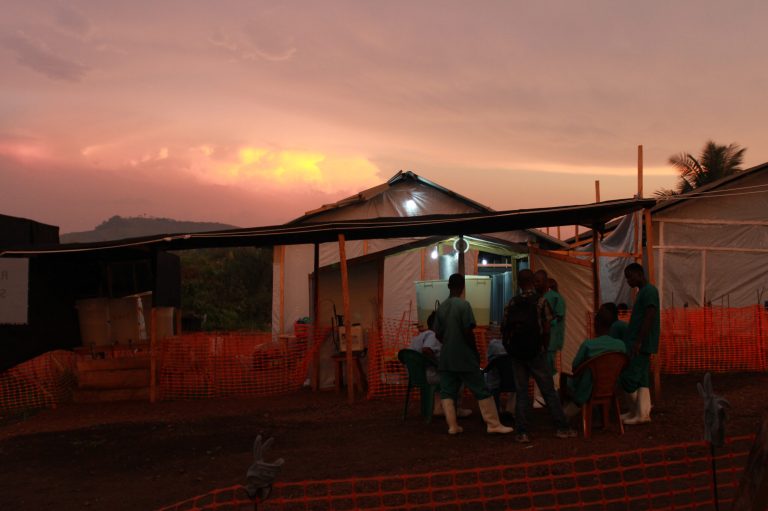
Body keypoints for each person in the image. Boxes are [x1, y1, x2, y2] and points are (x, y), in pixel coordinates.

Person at [502, 269, 577, 443]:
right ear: (532, 282)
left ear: (518, 283)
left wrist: (510, 348)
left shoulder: (512, 303)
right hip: (536, 352)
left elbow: (504, 328)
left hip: (517, 354)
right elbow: (547, 328)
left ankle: (521, 432)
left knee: (521, 393)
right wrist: (543, 346)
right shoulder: (541, 302)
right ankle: (562, 428)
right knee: (549, 391)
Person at [433, 273, 513, 435]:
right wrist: (474, 351)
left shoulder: (441, 308)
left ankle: (453, 426)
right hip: (464, 355)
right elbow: (468, 331)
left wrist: (448, 343)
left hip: (446, 357)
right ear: (463, 287)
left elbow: (437, 334)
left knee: (447, 391)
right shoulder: (464, 306)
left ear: (448, 286)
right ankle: (493, 424)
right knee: (481, 389)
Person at [563, 305, 627, 417]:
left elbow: (575, 366)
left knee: (566, 379)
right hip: (612, 387)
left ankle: (568, 412)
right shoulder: (621, 345)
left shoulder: (588, 345)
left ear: (595, 324)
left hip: (588, 389)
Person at [408, 312, 471, 418]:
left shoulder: (422, 335)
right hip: (427, 376)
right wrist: (439, 365)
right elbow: (427, 350)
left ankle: (438, 408)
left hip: (416, 375)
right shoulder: (433, 335)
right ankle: (457, 409)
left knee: (441, 377)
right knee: (459, 378)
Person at [619, 263, 660, 425]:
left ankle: (639, 411)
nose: (628, 281)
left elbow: (650, 315)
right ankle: (641, 413)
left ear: (639, 274)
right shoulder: (643, 292)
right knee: (642, 379)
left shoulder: (649, 291)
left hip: (641, 343)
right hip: (640, 342)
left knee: (629, 378)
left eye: (630, 276)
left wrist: (639, 340)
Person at [543, 277, 566, 382]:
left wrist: (548, 322)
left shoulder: (552, 297)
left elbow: (559, 315)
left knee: (549, 366)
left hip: (551, 337)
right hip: (552, 337)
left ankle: (554, 389)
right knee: (549, 364)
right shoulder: (557, 297)